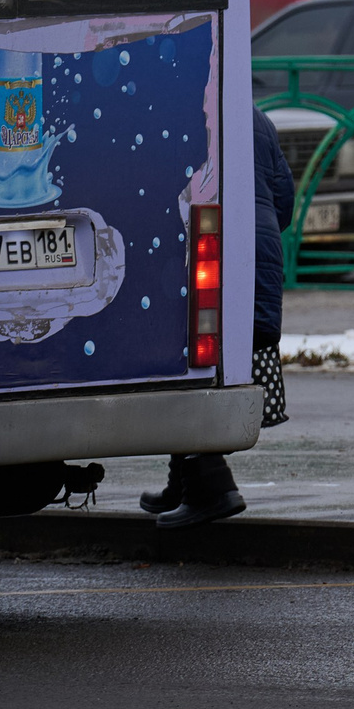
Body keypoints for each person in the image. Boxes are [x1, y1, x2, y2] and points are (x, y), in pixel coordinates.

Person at [145, 109, 293, 527]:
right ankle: (184, 481)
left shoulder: (189, 108)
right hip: (257, 265)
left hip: (216, 256)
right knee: (196, 362)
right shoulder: (258, 119)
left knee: (190, 359)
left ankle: (213, 486)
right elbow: (284, 201)